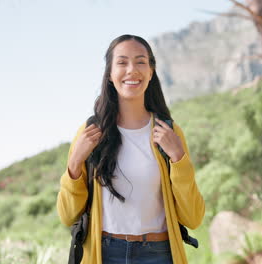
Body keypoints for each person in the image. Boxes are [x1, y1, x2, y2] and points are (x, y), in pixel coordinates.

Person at [57, 34, 205, 264]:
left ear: (151, 71)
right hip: (105, 254)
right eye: (122, 62)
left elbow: (193, 217)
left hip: (159, 254)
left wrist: (178, 159)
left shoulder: (169, 132)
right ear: (109, 74)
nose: (131, 70)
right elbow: (68, 216)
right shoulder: (90, 133)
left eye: (140, 62)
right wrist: (75, 164)